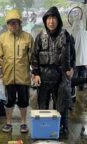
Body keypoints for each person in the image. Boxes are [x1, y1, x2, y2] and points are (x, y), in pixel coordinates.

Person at [31, 6, 74, 135]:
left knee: (62, 104)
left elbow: (73, 54)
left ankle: (63, 127)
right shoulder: (40, 36)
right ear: (45, 21)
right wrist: (36, 73)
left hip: (60, 75)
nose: (51, 21)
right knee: (42, 104)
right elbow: (34, 56)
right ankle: (43, 128)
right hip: (43, 75)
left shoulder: (66, 35)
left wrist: (71, 68)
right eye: (48, 19)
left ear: (58, 20)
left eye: (53, 18)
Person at [0, 9, 34, 133]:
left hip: (23, 76)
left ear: (19, 23)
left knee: (24, 101)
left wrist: (32, 71)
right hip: (8, 76)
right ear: (7, 24)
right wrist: (4, 68)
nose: (12, 25)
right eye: (10, 23)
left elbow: (32, 56)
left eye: (15, 22)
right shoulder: (2, 38)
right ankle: (8, 123)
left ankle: (23, 123)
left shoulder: (28, 37)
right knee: (9, 101)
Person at [71, 19, 87, 91]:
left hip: (76, 59)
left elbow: (70, 48)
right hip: (84, 59)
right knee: (83, 74)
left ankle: (73, 89)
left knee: (75, 75)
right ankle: (82, 87)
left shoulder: (73, 34)